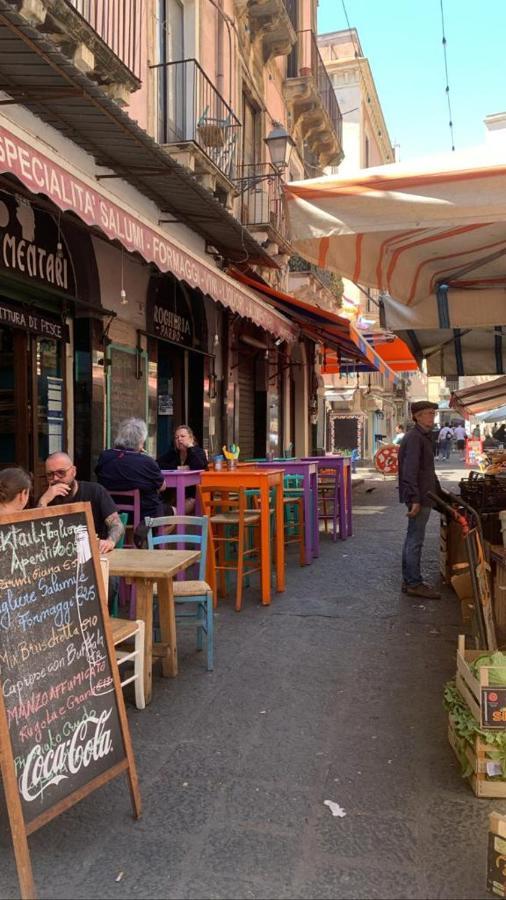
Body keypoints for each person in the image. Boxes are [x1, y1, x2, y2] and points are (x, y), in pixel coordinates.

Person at [38, 452, 124, 554]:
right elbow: (35, 534)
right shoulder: (46, 498)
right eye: (50, 474)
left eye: (61, 472)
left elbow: (117, 525)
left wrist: (110, 541)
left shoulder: (95, 491)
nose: (55, 478)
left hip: (94, 554)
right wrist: (43, 501)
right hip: (59, 558)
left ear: (73, 472)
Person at [398, 400, 442, 599]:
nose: (432, 417)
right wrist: (415, 499)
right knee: (415, 539)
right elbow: (410, 470)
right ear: (417, 416)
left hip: (425, 494)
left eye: (433, 413)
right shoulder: (415, 438)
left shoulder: (422, 437)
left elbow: (426, 470)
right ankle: (413, 583)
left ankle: (410, 580)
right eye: (428, 414)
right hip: (420, 497)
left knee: (413, 538)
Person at [95, 417, 166, 522]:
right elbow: (162, 487)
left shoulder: (105, 456)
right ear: (141, 440)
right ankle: (147, 538)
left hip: (110, 512)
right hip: (144, 516)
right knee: (173, 511)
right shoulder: (147, 461)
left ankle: (129, 538)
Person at [157, 424, 208, 514]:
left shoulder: (198, 452)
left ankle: (173, 518)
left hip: (193, 494)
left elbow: (198, 466)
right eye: (176, 437)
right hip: (172, 494)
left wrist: (190, 448)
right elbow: (157, 463)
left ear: (191, 438)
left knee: (175, 514)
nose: (179, 439)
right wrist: (178, 468)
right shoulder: (173, 453)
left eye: (182, 436)